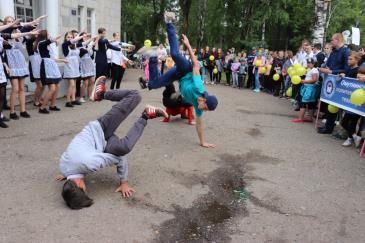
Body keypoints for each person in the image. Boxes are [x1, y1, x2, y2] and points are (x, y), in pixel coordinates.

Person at [56, 76, 168, 209]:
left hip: (100, 128)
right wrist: (67, 175)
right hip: (100, 143)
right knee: (123, 147)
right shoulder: (64, 167)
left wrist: (124, 182)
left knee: (135, 95)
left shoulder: (90, 163)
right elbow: (67, 157)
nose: (87, 189)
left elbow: (119, 159)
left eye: (85, 191)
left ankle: (102, 93)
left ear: (80, 185)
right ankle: (146, 114)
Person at [138, 12, 218, 148]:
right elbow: (196, 65)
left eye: (206, 110)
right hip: (186, 69)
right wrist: (187, 45)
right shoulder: (199, 88)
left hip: (178, 76)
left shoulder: (199, 109)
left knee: (154, 84)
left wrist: (203, 142)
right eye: (205, 107)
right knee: (174, 54)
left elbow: (199, 125)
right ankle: (169, 22)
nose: (203, 110)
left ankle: (152, 56)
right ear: (205, 100)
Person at [318, 33, 351, 134]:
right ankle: (328, 126)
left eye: (333, 40)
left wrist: (332, 72)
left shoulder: (346, 52)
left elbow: (347, 69)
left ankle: (335, 129)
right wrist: (326, 69)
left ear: (338, 40)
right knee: (330, 104)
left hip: (340, 82)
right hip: (330, 81)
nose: (331, 41)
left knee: (336, 106)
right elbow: (329, 64)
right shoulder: (333, 52)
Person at [35, 30, 68, 114]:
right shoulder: (41, 43)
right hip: (47, 66)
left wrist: (62, 60)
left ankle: (52, 105)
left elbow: (52, 58)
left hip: (52, 65)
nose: (49, 34)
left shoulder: (48, 45)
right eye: (48, 33)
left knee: (57, 86)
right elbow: (48, 41)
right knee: (52, 88)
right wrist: (55, 38)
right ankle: (42, 108)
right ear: (44, 35)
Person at [340, 51, 362, 147]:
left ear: (357, 60)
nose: (348, 60)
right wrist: (343, 76)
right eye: (348, 59)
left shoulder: (359, 70)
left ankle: (350, 139)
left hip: (357, 101)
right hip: (348, 100)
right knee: (344, 122)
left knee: (352, 121)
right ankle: (354, 137)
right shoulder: (348, 69)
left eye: (351, 59)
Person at [291, 58, 318, 123]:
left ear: (313, 63)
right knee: (310, 103)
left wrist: (305, 81)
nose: (308, 64)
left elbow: (314, 80)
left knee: (303, 103)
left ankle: (300, 118)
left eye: (309, 63)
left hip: (310, 88)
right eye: (307, 63)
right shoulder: (310, 69)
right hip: (308, 87)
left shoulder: (314, 70)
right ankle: (310, 118)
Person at [62, 31, 84, 107]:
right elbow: (73, 40)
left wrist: (91, 38)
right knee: (71, 84)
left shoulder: (74, 45)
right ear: (65, 38)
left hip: (75, 66)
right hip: (69, 67)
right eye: (68, 37)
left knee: (74, 84)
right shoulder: (64, 45)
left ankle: (73, 99)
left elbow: (84, 43)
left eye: (71, 37)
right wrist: (80, 35)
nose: (70, 38)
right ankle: (68, 101)